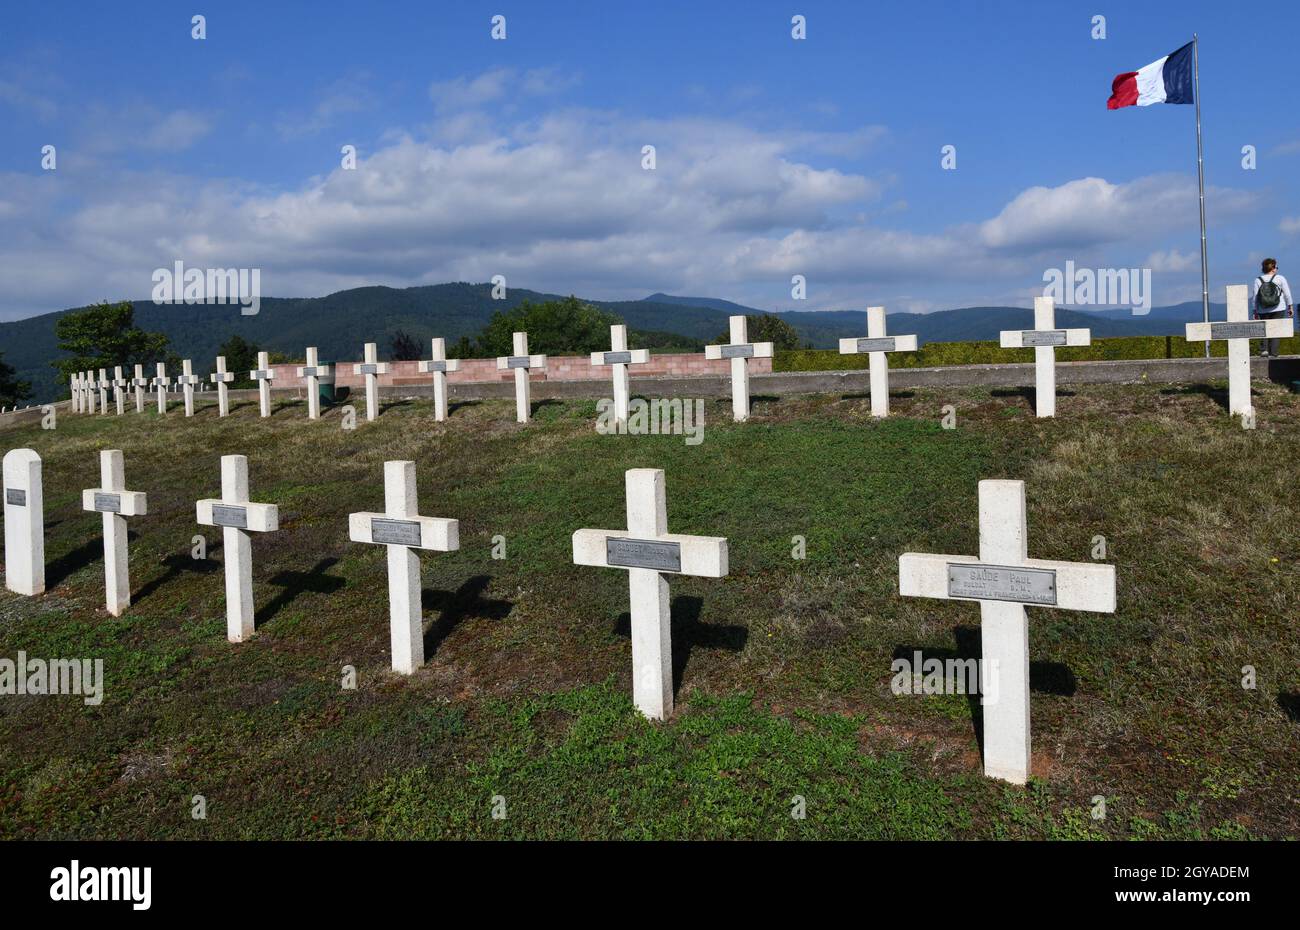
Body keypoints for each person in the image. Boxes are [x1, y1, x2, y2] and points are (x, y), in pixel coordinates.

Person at [1251, 258, 1293, 357]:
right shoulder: (1280, 278)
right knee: (1276, 330)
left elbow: (1255, 297)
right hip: (1279, 308)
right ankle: (1274, 353)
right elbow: (1287, 294)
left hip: (1263, 309)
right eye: (1276, 267)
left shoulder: (1258, 280)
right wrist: (1290, 306)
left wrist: (1254, 310)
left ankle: (1264, 350)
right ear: (1273, 268)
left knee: (1263, 329)